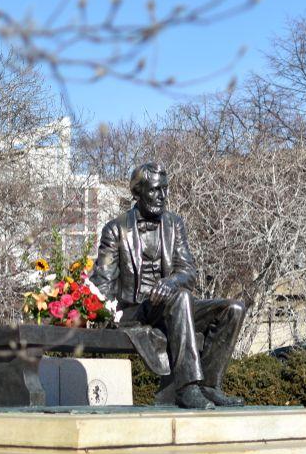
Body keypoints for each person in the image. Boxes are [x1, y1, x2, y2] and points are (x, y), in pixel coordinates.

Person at [90, 162, 246, 409]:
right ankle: (186, 388)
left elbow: (188, 271)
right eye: (154, 190)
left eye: (165, 189)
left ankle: (209, 386)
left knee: (233, 308)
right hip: (137, 310)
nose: (162, 196)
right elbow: (102, 282)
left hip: (174, 306)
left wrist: (170, 282)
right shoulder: (116, 229)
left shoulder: (174, 224)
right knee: (181, 297)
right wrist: (99, 314)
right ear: (137, 192)